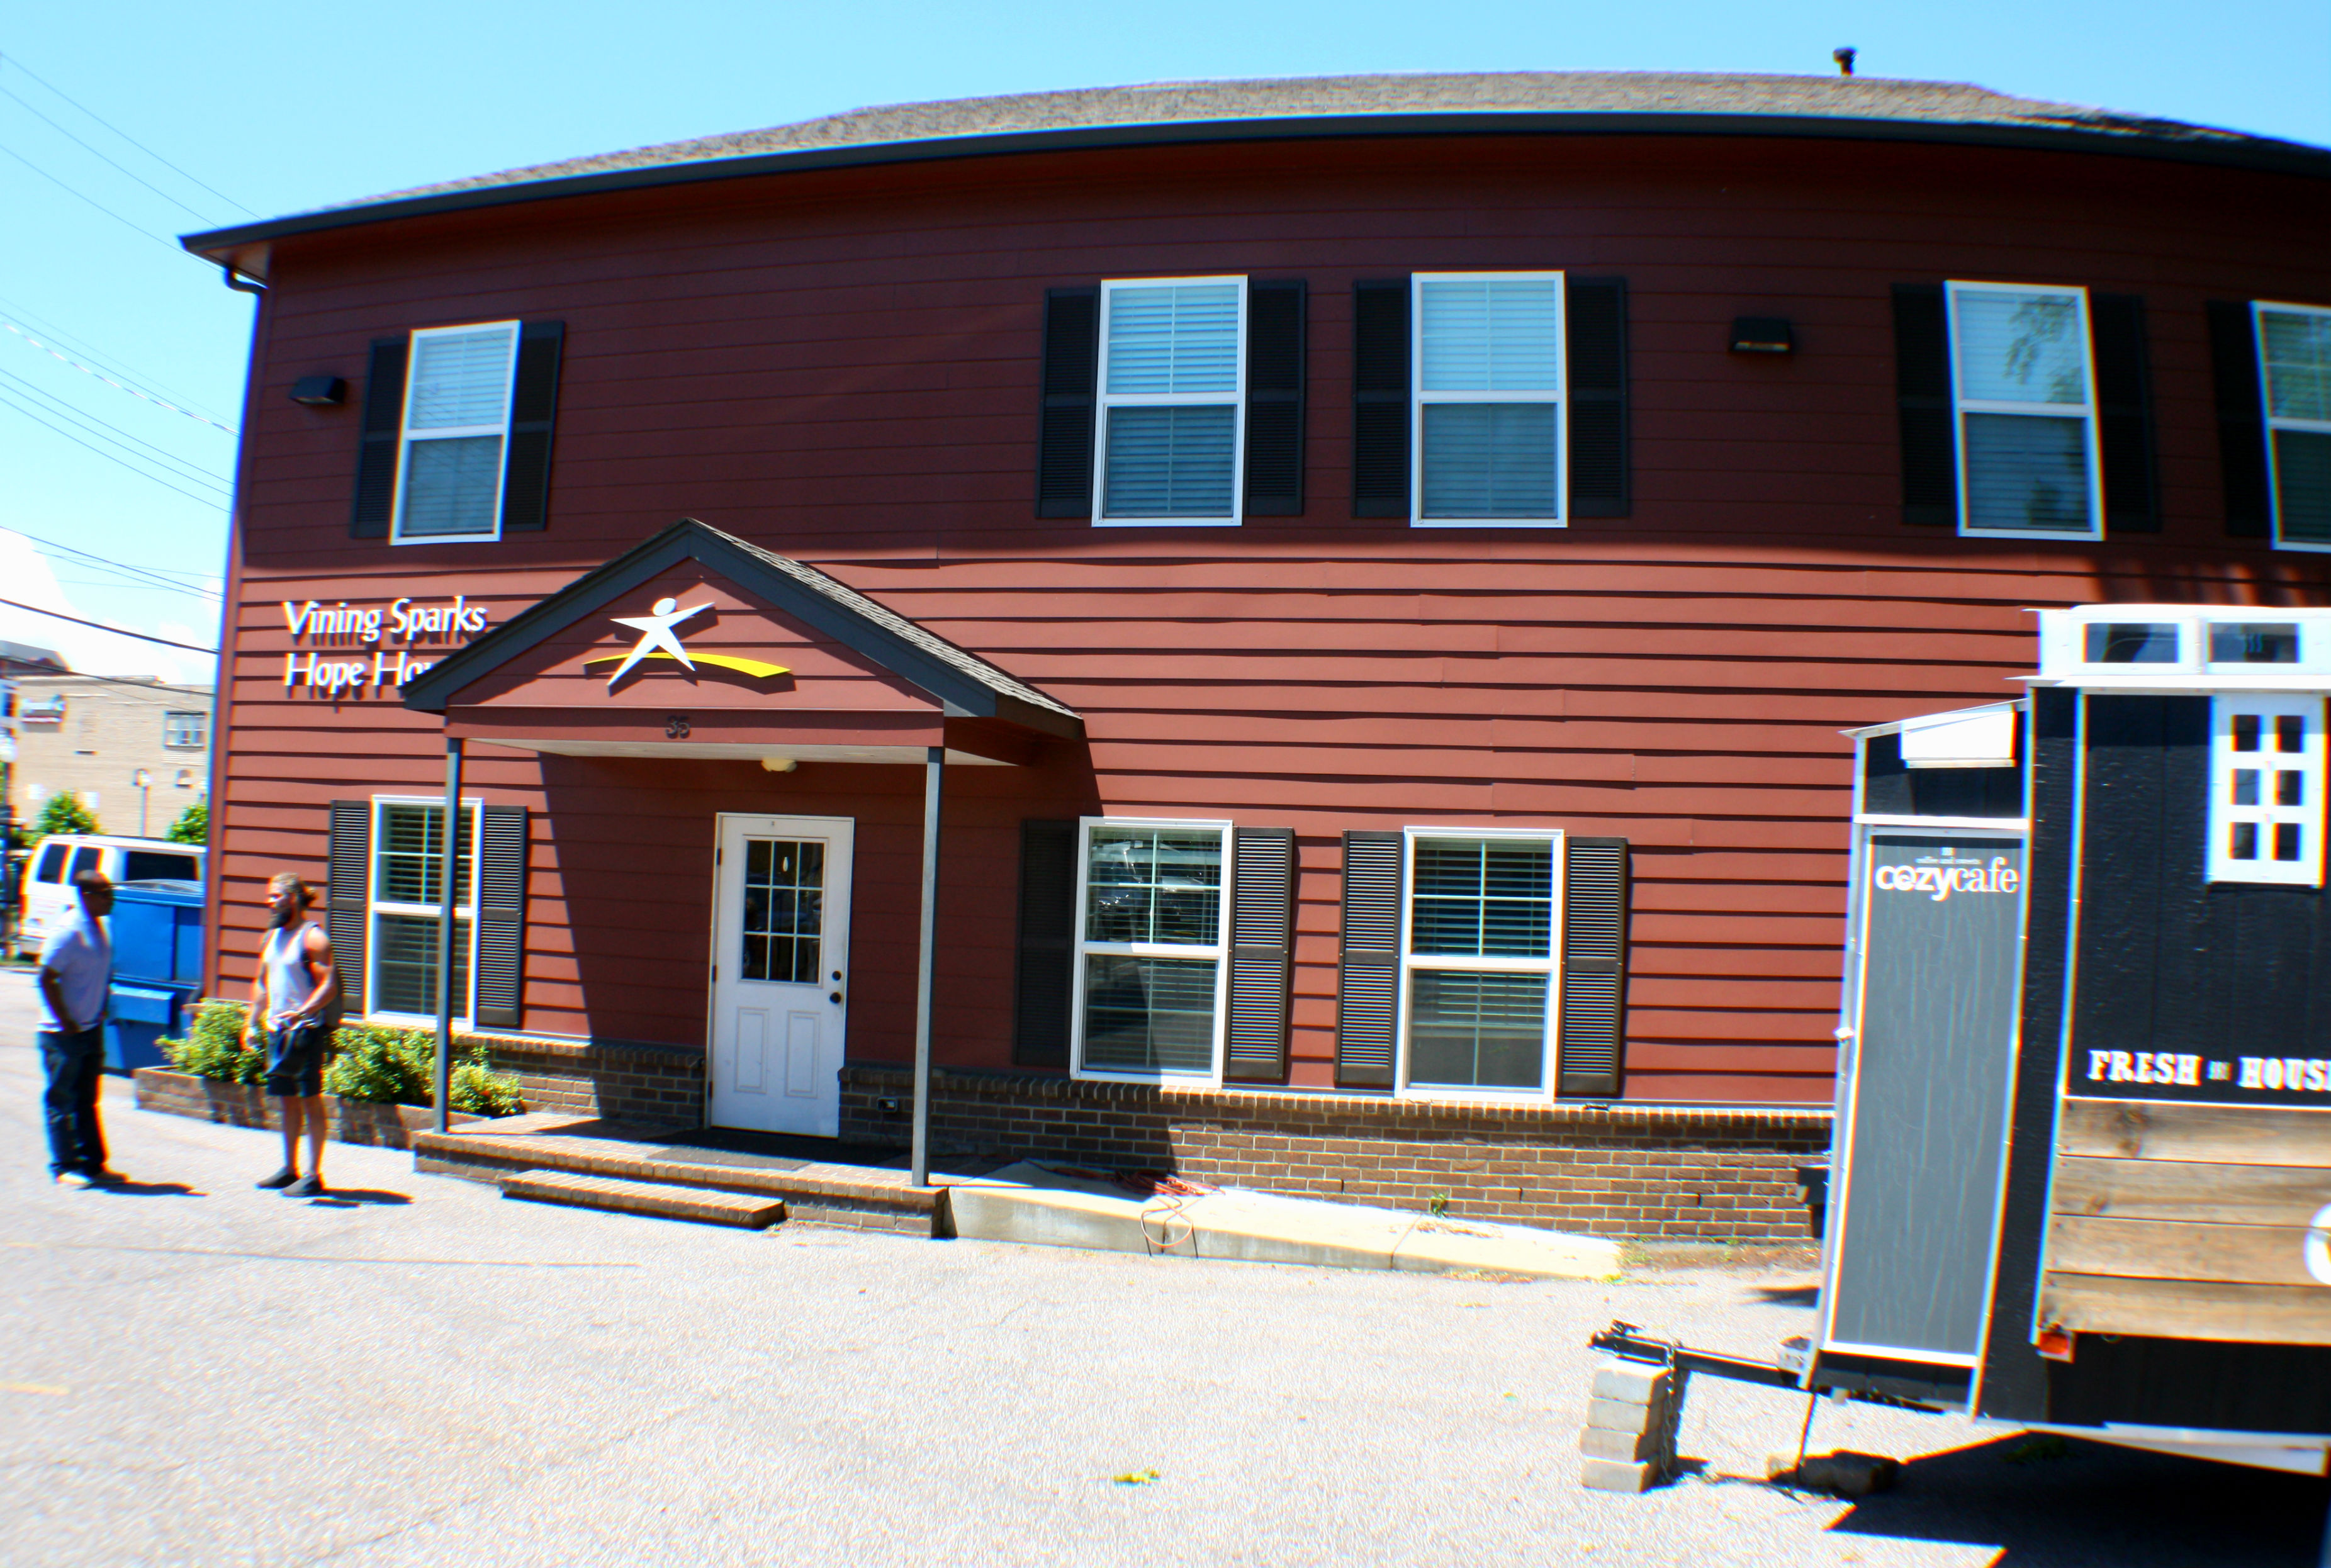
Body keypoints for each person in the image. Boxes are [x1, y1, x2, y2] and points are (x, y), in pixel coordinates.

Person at [245, 874, 338, 1197]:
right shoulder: (270, 936)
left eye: (275, 896)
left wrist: (302, 1013)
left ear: (294, 898)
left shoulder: (313, 938)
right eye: (269, 896)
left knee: (310, 1101)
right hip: (277, 1032)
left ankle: (313, 1174)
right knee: (286, 1102)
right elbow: (261, 982)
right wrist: (251, 1022)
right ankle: (289, 1169)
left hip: (304, 1033)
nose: (269, 902)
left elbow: (329, 986)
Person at [38, 869, 114, 1188]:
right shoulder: (68, 931)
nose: (112, 900)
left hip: (91, 1027)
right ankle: (63, 1166)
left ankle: (93, 1164)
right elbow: (46, 977)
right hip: (62, 1033)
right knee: (62, 1099)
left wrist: (102, 1004)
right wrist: (65, 1020)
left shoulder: (102, 927)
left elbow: (101, 971)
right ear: (86, 897)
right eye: (105, 894)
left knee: (87, 1099)